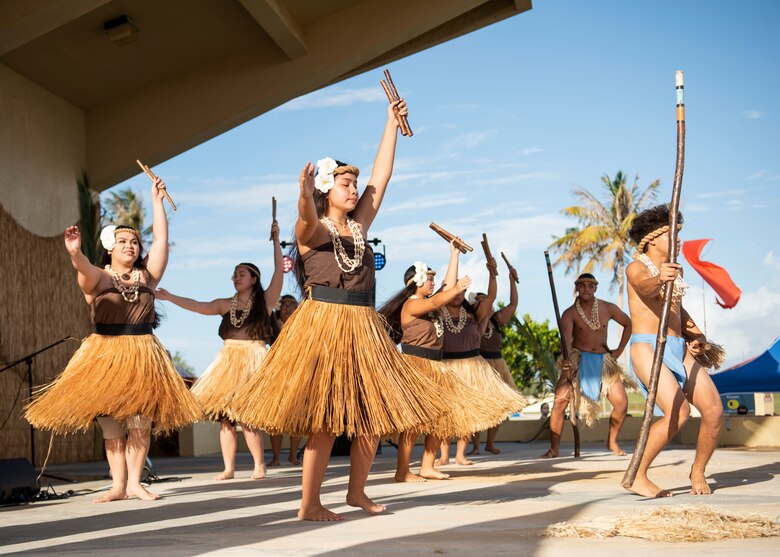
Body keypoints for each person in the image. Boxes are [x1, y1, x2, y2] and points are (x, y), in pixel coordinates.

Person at [232, 99, 448, 521]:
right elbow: (305, 217)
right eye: (345, 184)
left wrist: (390, 124)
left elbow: (381, 180)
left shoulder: (360, 228)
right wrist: (302, 193)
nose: (354, 190)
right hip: (325, 324)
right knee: (327, 418)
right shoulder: (311, 230)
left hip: (362, 325)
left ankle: (356, 493)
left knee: (372, 417)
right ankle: (309, 503)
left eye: (354, 184)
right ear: (326, 189)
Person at [25, 175, 202, 502]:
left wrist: (157, 201)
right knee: (111, 426)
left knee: (140, 421)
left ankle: (135, 482)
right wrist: (75, 253)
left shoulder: (148, 275)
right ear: (110, 247)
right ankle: (118, 485)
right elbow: (83, 270)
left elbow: (161, 239)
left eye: (134, 243)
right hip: (105, 354)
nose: (130, 247)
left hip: (143, 351)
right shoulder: (100, 277)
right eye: (123, 242)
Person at [156, 220, 283, 481]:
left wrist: (276, 241)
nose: (236, 277)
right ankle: (228, 468)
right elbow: (198, 305)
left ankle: (259, 465)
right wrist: (170, 297)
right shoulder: (226, 304)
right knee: (225, 418)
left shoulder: (266, 302)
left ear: (254, 279)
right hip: (228, 360)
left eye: (241, 274)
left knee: (248, 417)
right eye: (234, 274)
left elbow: (280, 271)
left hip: (254, 359)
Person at [379, 243, 508, 482]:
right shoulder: (412, 305)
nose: (432, 283)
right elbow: (438, 298)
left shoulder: (434, 306)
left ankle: (427, 466)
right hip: (416, 366)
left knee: (441, 419)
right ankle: (402, 471)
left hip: (436, 366)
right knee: (413, 423)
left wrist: (454, 254)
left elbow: (445, 291)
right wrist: (455, 287)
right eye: (428, 279)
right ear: (417, 282)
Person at [624, 204, 723, 497]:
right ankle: (637, 475)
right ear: (653, 239)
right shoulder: (637, 267)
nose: (678, 239)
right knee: (679, 413)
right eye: (672, 234)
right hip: (647, 347)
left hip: (679, 348)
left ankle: (698, 470)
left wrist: (697, 334)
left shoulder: (674, 273)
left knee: (714, 411)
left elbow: (678, 309)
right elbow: (645, 288)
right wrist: (660, 279)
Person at [438, 257, 527, 466]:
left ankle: (460, 454)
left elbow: (493, 297)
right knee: (446, 412)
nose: (458, 295)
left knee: (467, 411)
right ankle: (443, 455)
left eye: (462, 292)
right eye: (455, 291)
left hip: (470, 367)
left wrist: (492, 274)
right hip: (446, 367)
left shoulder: (474, 315)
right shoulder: (438, 312)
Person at [539, 273, 633, 459]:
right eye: (582, 286)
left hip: (603, 361)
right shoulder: (570, 313)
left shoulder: (608, 308)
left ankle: (612, 441)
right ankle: (554, 448)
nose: (586, 289)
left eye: (590, 286)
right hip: (577, 359)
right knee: (559, 402)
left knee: (621, 402)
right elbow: (565, 339)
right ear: (577, 288)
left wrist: (620, 349)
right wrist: (566, 360)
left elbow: (628, 324)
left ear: (596, 288)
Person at [468, 258, 522, 455]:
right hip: (480, 365)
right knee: (477, 405)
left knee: (500, 407)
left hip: (498, 363)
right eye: (482, 301)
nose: (486, 304)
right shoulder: (471, 321)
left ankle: (490, 443)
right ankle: (474, 445)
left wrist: (511, 280)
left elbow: (513, 304)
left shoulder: (497, 319)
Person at [268, 294, 304, 467]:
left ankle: (293, 455)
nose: (288, 308)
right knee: (275, 416)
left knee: (296, 416)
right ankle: (275, 457)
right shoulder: (272, 325)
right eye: (285, 305)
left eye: (292, 305)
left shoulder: (304, 326)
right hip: (276, 373)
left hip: (298, 372)